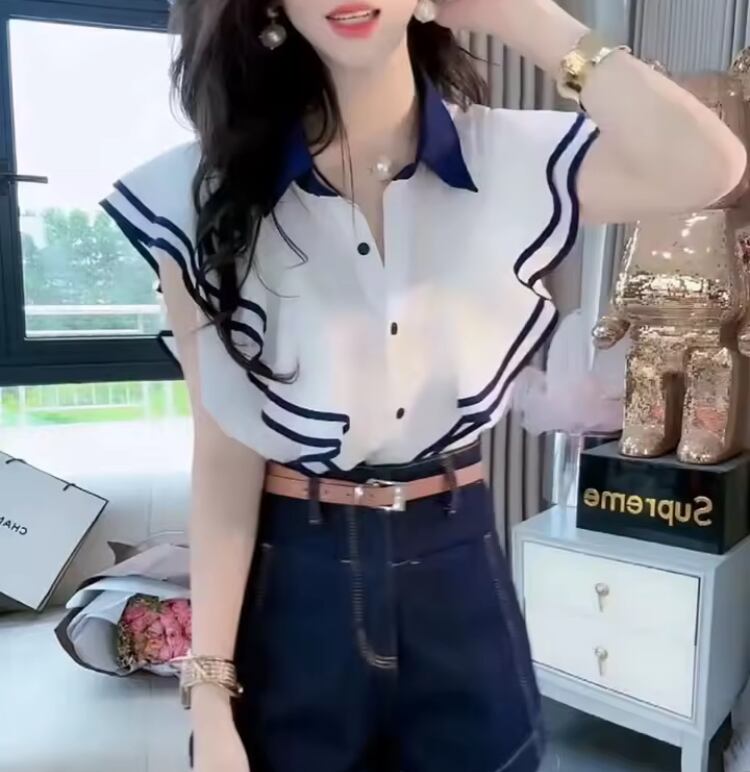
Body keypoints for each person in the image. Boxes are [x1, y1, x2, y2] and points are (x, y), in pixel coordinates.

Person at [101, 1, 746, 770]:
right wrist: (209, 692)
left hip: (457, 563)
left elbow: (709, 166)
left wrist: (522, 16)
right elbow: (223, 450)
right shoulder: (203, 198)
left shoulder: (509, 159)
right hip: (294, 579)